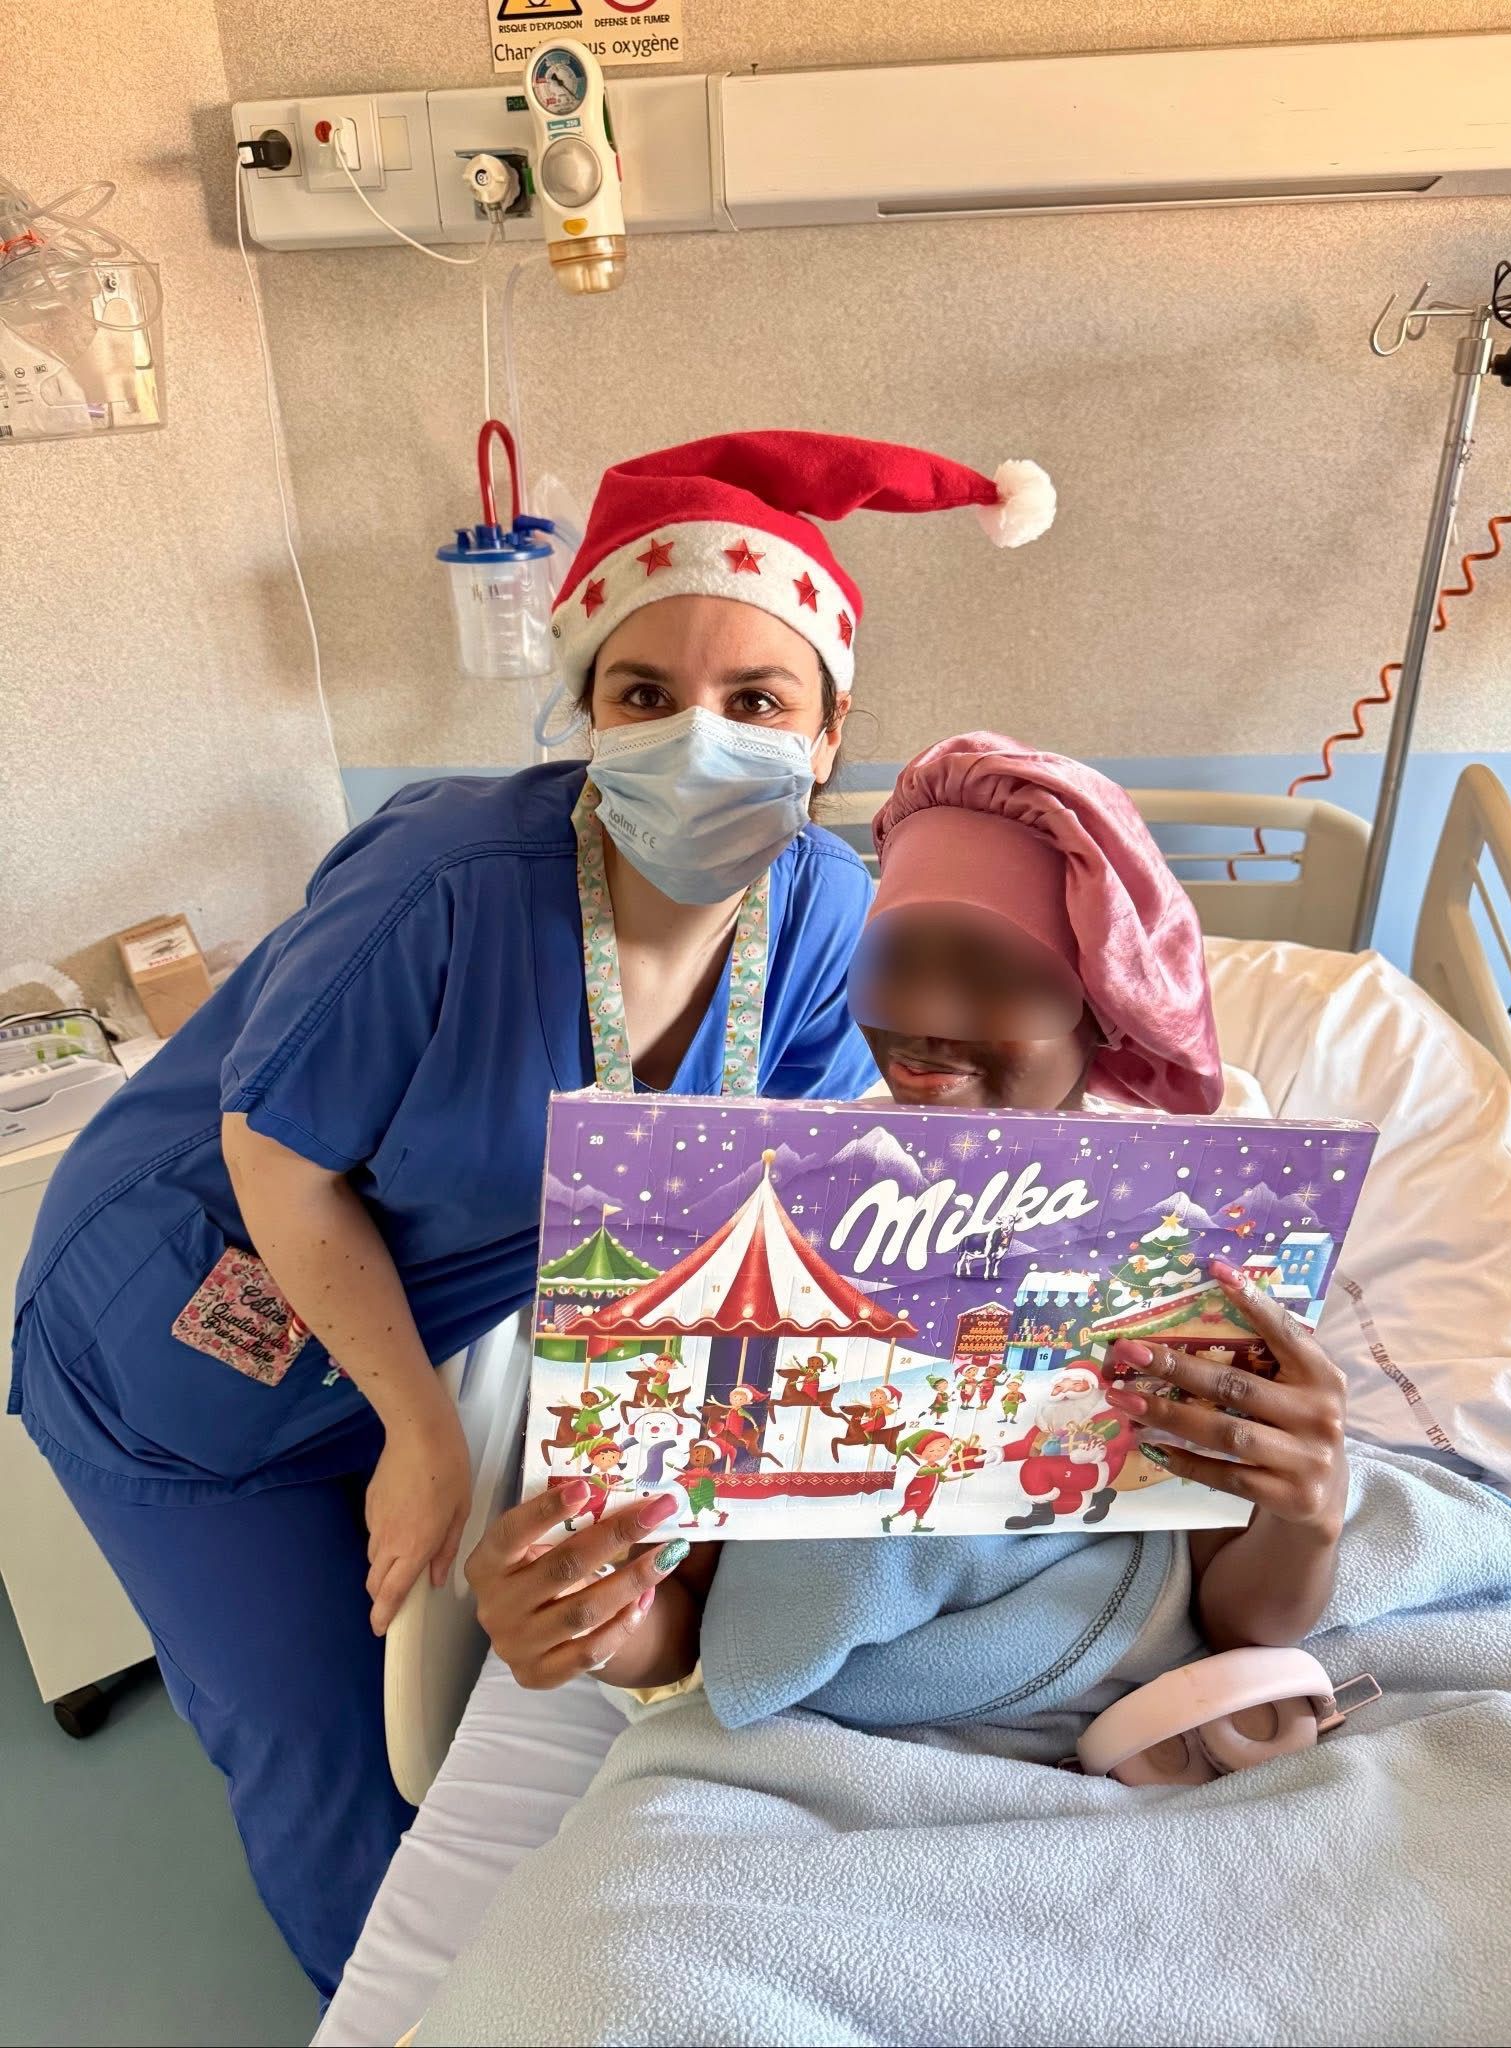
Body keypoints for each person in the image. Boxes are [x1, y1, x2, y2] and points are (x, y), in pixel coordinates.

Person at [8, 443, 1052, 1997]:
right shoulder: (444, 889)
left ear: (831, 730)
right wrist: (424, 1434)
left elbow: (796, 1176)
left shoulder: (828, 913)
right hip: (179, 1331)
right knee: (322, 1750)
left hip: (414, 1296)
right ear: (588, 711)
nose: (700, 737)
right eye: (646, 693)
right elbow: (273, 1157)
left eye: (758, 699)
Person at [470, 738, 1350, 1723]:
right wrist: (595, 1620)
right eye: (893, 961)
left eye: (994, 971)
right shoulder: (780, 1194)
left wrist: (1307, 1515)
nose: (926, 1014)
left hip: (1111, 1707)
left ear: (1102, 1007)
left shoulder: (1187, 1236)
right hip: (820, 1720)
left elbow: (1246, 1618)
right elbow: (683, 1623)